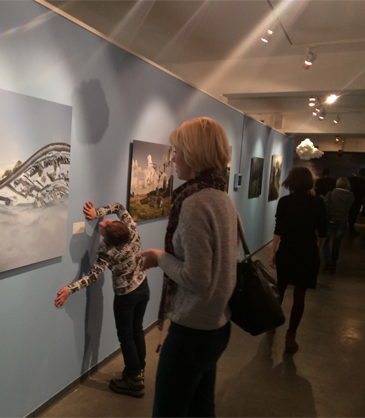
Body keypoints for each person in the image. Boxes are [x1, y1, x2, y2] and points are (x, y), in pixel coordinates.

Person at [141, 117, 239, 417]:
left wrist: (159, 257)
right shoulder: (222, 198)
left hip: (193, 332)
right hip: (217, 324)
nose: (173, 159)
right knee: (200, 409)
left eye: (177, 151)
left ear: (193, 154)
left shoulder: (195, 203)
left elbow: (197, 277)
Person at [55, 201, 149, 398]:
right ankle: (139, 369)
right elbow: (119, 207)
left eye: (104, 229)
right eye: (107, 223)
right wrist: (98, 212)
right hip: (142, 288)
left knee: (126, 336)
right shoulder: (131, 229)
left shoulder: (107, 251)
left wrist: (69, 289)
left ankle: (133, 380)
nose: (103, 224)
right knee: (137, 330)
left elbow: (92, 277)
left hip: (126, 297)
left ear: (107, 240)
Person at [269, 167, 327, 354]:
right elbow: (323, 231)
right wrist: (318, 250)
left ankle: (273, 321)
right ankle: (291, 336)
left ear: (291, 181)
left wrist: (273, 252)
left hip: (287, 249)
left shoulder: (285, 202)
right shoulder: (317, 203)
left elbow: (279, 228)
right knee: (299, 295)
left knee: (280, 287)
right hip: (307, 250)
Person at [323, 177, 354, 272]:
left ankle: (328, 260)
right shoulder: (351, 195)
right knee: (337, 243)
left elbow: (325, 205)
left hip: (331, 220)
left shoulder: (331, 193)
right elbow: (350, 207)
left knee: (325, 240)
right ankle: (334, 263)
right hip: (343, 220)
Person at [348, 168, 365, 233]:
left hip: (349, 199)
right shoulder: (363, 183)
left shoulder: (351, 179)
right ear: (364, 174)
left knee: (348, 214)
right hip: (357, 201)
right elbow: (364, 193)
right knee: (354, 215)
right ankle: (351, 228)